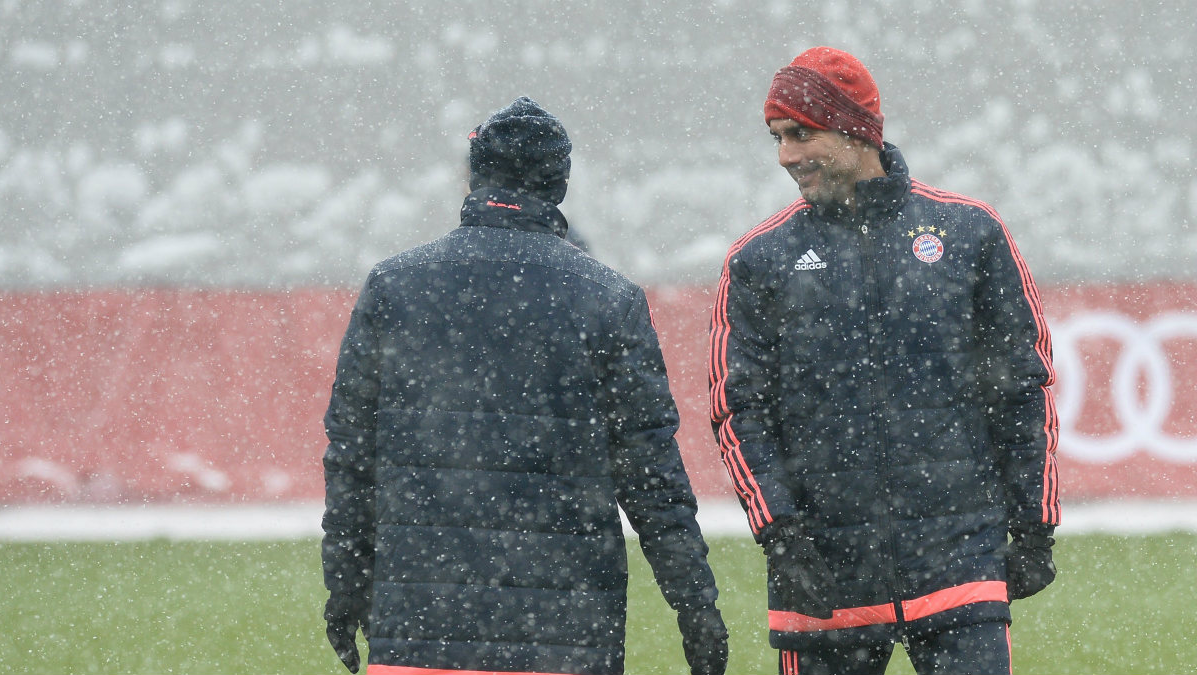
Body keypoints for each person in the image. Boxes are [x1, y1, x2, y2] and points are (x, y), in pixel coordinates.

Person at [321, 96, 729, 675]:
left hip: (419, 627)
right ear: (561, 184)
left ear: (473, 177)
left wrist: (344, 584)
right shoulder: (609, 299)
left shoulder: (393, 287)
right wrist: (695, 604)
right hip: (565, 638)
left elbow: (351, 458)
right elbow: (651, 474)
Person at [708, 47, 1060, 675]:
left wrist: (1034, 523)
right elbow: (738, 411)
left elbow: (1024, 386)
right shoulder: (757, 261)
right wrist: (780, 534)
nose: (785, 156)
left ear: (854, 129)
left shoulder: (969, 232)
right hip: (821, 572)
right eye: (777, 138)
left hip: (958, 560)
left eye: (800, 134)